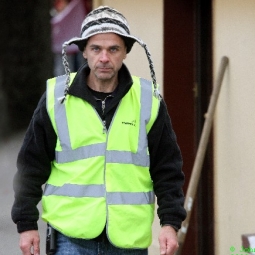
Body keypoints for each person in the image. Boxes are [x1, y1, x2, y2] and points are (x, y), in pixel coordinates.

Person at [11, 6, 186, 255]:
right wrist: (26, 224)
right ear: (84, 51)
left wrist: (170, 223)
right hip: (71, 238)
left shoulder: (148, 100)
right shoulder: (56, 98)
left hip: (129, 241)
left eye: (113, 49)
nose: (104, 58)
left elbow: (167, 169)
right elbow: (30, 165)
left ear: (126, 51)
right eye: (96, 49)